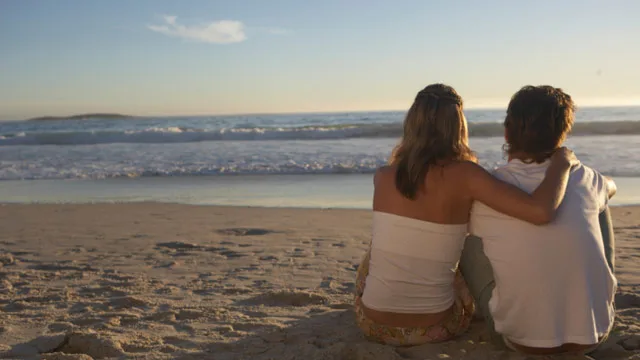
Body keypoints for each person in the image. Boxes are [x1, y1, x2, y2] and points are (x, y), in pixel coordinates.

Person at [354, 83, 578, 346]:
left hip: (373, 324)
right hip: (437, 327)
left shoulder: (383, 176)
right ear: (458, 126)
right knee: (469, 240)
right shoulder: (467, 175)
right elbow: (540, 212)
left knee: (378, 249)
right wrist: (561, 165)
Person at [460, 85, 617, 356]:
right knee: (601, 203)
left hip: (520, 340)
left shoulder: (492, 186)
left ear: (507, 131)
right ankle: (595, 297)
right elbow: (611, 187)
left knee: (467, 238)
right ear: (562, 133)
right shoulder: (587, 177)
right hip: (595, 334)